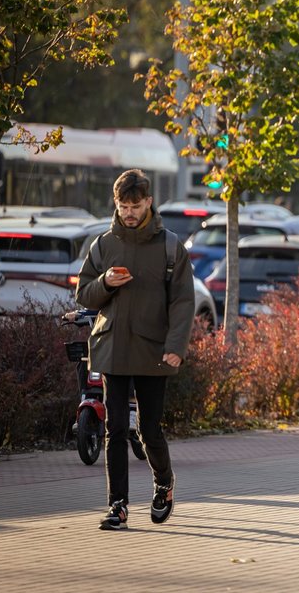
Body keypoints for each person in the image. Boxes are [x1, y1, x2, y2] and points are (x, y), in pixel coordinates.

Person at [76, 169, 195, 530]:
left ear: (149, 202)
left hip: (154, 349)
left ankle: (163, 483)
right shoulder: (103, 244)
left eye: (135, 205)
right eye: (123, 205)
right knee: (114, 428)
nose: (129, 212)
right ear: (116, 204)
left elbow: (183, 302)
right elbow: (84, 293)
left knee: (149, 430)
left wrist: (176, 346)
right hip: (112, 345)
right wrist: (105, 283)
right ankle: (118, 506)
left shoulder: (169, 245)